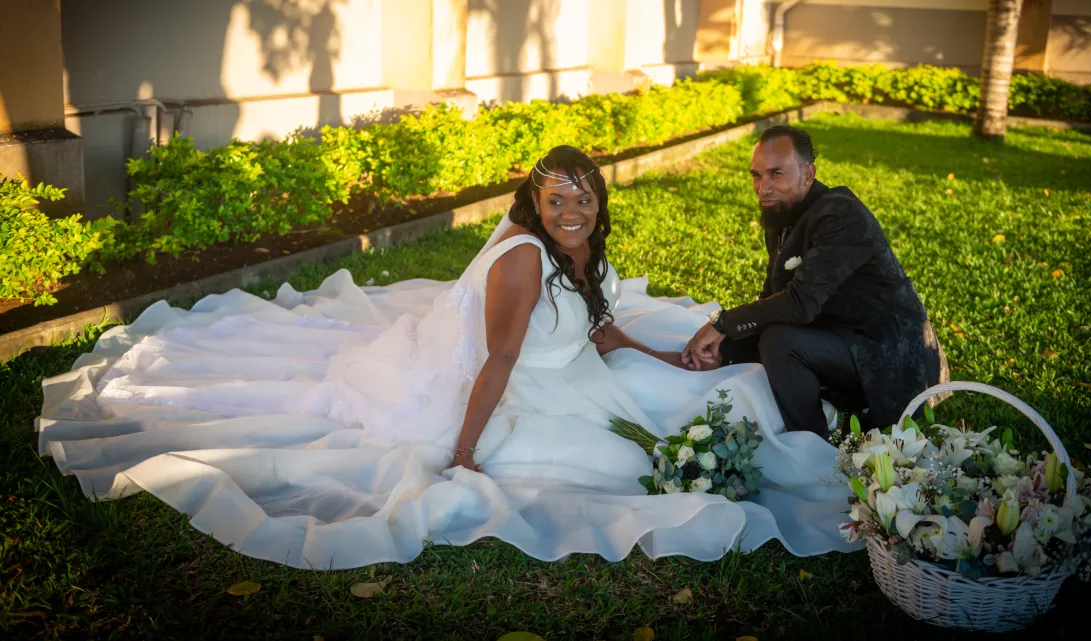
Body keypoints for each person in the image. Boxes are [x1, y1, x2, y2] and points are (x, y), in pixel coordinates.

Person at [37, 146, 855, 570]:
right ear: (534, 203)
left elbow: (600, 326)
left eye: (583, 196)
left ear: (598, 197)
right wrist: (464, 451)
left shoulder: (582, 246)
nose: (572, 210)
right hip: (518, 382)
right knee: (615, 465)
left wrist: (664, 356)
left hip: (573, 366)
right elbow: (497, 362)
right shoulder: (522, 262)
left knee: (692, 394)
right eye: (556, 199)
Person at [682, 126, 948, 435]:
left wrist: (722, 323)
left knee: (781, 342)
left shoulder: (840, 213)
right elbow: (772, 298)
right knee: (737, 342)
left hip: (889, 354)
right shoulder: (781, 213)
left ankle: (811, 444)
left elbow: (800, 304)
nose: (763, 188)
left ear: (808, 174)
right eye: (756, 175)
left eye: (776, 174)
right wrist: (728, 340)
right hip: (834, 333)